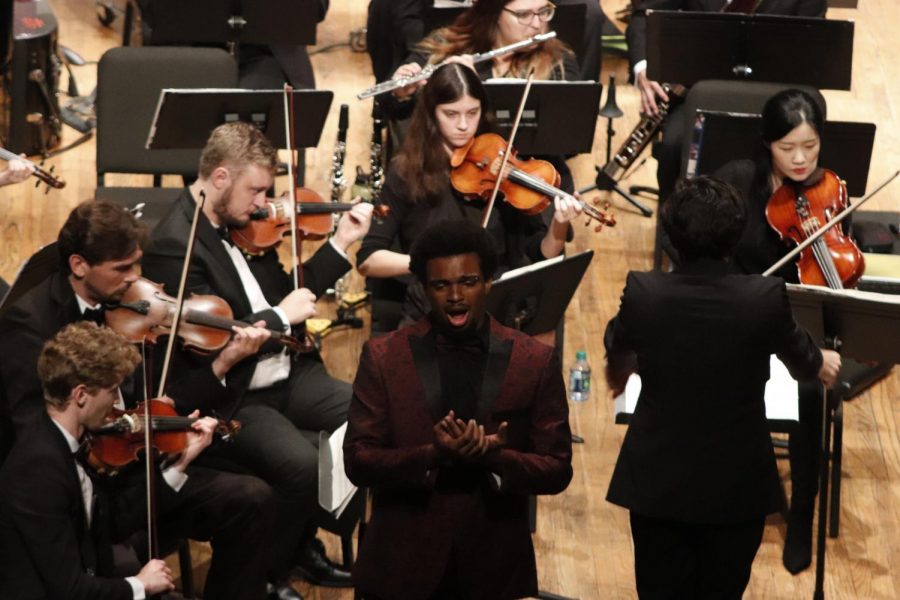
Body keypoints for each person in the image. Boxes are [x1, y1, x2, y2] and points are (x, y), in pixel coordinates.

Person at [0, 200, 276, 600]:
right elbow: (37, 437)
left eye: (137, 264)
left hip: (136, 465)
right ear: (79, 265)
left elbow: (154, 400)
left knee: (252, 499)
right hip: (91, 486)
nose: (136, 280)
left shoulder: (130, 309)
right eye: (122, 269)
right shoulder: (30, 325)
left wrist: (221, 366)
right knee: (132, 571)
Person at [141, 121, 374, 592]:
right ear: (221, 178)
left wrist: (340, 243)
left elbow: (286, 297)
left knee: (370, 412)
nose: (265, 203)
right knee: (301, 465)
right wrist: (280, 319)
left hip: (283, 372)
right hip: (235, 394)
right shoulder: (175, 247)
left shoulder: (241, 222)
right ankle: (269, 573)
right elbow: (216, 339)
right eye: (257, 190)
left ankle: (302, 541)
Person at [604, 176, 841, 599]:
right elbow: (803, 361)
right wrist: (823, 361)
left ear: (672, 237)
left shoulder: (644, 292)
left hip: (659, 485)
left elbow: (616, 344)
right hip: (736, 486)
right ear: (734, 237)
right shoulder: (764, 297)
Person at [345, 218, 573, 599]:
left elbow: (557, 468)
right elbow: (358, 460)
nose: (455, 295)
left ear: (487, 283)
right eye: (440, 285)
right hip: (402, 562)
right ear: (423, 288)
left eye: (467, 282)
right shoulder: (384, 357)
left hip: (494, 562)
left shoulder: (533, 360)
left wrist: (495, 457)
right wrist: (432, 455)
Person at [0, 322, 218, 599]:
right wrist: (140, 585)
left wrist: (180, 464)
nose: (117, 403)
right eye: (112, 391)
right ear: (80, 395)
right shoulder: (38, 471)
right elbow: (69, 589)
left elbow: (111, 528)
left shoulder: (79, 442)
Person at [713, 88, 837, 574]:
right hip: (742, 316)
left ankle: (802, 513)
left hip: (798, 324)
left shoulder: (829, 190)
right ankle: (737, 491)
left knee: (811, 390)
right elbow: (694, 236)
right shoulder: (738, 182)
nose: (802, 159)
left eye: (810, 145)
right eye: (788, 148)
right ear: (767, 143)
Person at [357, 62, 582, 327]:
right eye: (451, 114)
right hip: (429, 308)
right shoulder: (407, 172)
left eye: (472, 113)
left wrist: (559, 223)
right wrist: (435, 266)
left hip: (493, 309)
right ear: (431, 113)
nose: (463, 125)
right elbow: (369, 260)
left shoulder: (500, 171)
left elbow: (541, 255)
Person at [624, 0, 828, 201]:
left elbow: (813, 44)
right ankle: (673, 223)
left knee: (798, 145)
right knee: (672, 146)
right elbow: (645, 14)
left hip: (776, 100)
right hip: (698, 91)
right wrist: (643, 66)